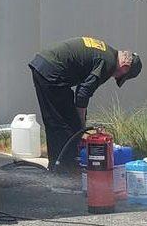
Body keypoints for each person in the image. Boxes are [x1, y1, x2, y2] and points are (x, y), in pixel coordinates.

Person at [29, 37, 141, 173]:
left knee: (58, 122)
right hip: (52, 71)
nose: (115, 77)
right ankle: (64, 170)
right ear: (125, 67)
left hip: (45, 66)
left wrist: (80, 124)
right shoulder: (108, 63)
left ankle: (58, 167)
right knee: (65, 125)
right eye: (120, 76)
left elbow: (82, 92)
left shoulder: (106, 51)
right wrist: (81, 125)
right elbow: (82, 94)